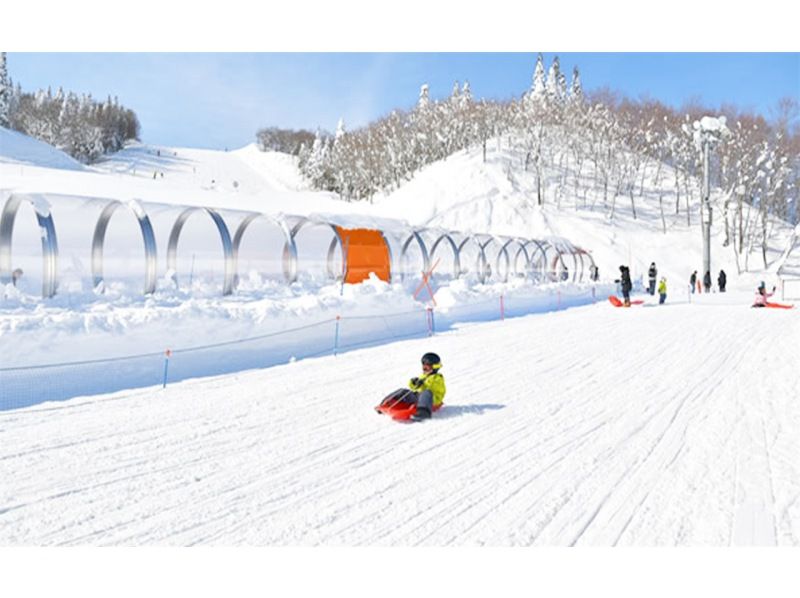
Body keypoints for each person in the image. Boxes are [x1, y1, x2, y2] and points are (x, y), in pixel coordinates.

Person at [408, 353, 446, 421]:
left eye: (427, 366)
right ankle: (387, 403)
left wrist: (422, 384)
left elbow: (430, 387)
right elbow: (415, 388)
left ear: (434, 367)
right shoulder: (423, 375)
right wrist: (413, 382)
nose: (424, 368)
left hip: (433, 400)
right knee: (404, 391)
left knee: (426, 392)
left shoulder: (438, 378)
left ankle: (424, 413)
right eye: (423, 365)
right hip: (421, 397)